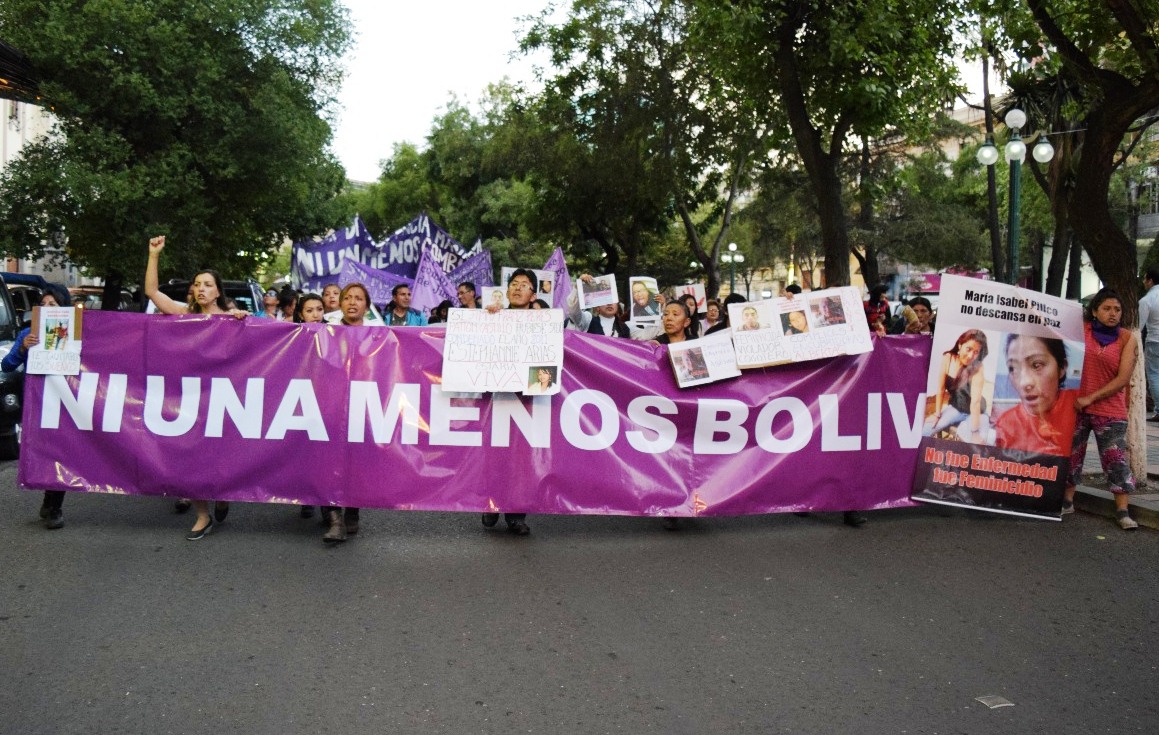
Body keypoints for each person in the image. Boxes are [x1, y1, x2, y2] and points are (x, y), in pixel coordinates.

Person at [145, 235, 248, 540]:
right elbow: (152, 292)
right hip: (189, 399)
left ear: (218, 291)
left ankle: (222, 493)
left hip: (222, 399)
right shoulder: (183, 314)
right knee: (191, 456)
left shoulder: (231, 319)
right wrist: (154, 255)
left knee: (220, 455)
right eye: (197, 284)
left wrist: (242, 321)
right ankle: (203, 515)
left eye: (207, 284)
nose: (201, 288)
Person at [1064, 288, 1139, 530]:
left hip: (1110, 409)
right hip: (1077, 407)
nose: (1112, 314)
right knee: (1072, 456)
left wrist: (1091, 398)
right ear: (1095, 311)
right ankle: (1067, 501)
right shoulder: (1081, 331)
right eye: (1106, 308)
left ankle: (1123, 511)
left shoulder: (1127, 338)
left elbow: (1123, 378)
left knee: (1115, 460)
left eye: (1117, 309)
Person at [3, 289, 69, 529]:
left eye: (53, 303)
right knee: (44, 454)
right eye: (43, 303)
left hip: (65, 404)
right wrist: (23, 349)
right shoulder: (27, 334)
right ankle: (48, 498)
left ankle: (55, 507)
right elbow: (7, 365)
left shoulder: (75, 334)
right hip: (37, 405)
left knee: (62, 454)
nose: (47, 307)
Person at [479, 269, 537, 536]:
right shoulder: (494, 316)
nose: (518, 288)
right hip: (497, 396)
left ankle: (516, 514)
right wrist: (488, 318)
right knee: (495, 453)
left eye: (524, 285)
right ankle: (491, 503)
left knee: (522, 458)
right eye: (514, 283)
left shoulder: (543, 322)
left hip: (528, 399)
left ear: (533, 295)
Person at [320, 283, 375, 544]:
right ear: (340, 303)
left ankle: (352, 509)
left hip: (363, 409)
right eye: (348, 298)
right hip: (329, 408)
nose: (353, 302)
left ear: (367, 305)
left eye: (359, 298)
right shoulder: (324, 332)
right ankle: (335, 520)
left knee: (356, 463)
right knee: (325, 462)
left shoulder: (379, 335)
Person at [994, 335, 1077, 457]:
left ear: (1062, 367)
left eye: (1036, 365)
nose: (1024, 383)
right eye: (1013, 369)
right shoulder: (1006, 424)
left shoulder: (1079, 405)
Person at [922, 329, 992, 443]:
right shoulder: (948, 358)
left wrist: (975, 432)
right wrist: (937, 414)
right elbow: (941, 388)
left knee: (975, 440)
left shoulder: (978, 368)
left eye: (976, 352)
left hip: (977, 412)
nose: (970, 356)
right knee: (927, 429)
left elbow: (975, 403)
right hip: (956, 408)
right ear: (960, 345)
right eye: (968, 349)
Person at [1138, 269, 1159, 421]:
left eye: (1145, 279)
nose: (1143, 282)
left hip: (1154, 341)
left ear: (1150, 280)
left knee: (1154, 375)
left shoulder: (1146, 300)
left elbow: (1139, 326)